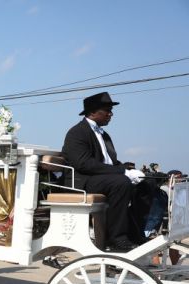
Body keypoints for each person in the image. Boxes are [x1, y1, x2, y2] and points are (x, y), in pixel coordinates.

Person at [61, 92, 156, 251]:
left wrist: (129, 170)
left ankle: (135, 232)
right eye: (107, 110)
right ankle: (116, 238)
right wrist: (121, 172)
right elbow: (84, 164)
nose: (111, 114)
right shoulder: (77, 133)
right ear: (92, 112)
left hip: (102, 178)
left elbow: (110, 161)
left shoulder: (104, 135)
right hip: (82, 181)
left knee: (148, 183)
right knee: (120, 183)